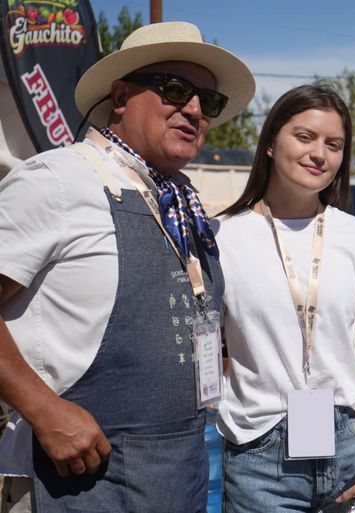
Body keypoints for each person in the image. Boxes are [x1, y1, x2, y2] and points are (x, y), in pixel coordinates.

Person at [0, 21, 255, 512]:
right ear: (120, 96)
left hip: (175, 478)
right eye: (175, 90)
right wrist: (42, 408)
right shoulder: (57, 180)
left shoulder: (184, 207)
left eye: (208, 100)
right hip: (76, 483)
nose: (195, 109)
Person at [213, 84, 355, 513]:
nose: (319, 154)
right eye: (304, 137)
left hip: (353, 450)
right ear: (270, 143)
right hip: (259, 455)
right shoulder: (222, 236)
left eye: (333, 145)